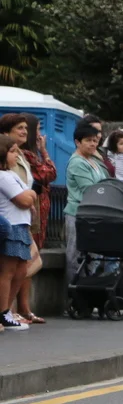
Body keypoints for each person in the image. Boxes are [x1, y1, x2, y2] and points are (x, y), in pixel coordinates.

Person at [63, 124, 111, 286]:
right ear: (78, 142)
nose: (93, 144)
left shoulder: (92, 160)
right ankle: (74, 292)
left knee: (94, 255)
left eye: (95, 141)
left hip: (93, 214)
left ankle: (88, 288)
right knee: (76, 255)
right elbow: (89, 189)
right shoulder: (77, 162)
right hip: (78, 213)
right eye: (88, 140)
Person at [0, 135, 36, 331]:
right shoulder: (3, 176)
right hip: (12, 225)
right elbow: (24, 200)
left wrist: (30, 195)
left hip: (21, 226)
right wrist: (30, 195)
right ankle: (3, 311)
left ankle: (6, 310)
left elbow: (29, 195)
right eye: (12, 152)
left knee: (21, 270)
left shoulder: (10, 175)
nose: (16, 155)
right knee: (8, 271)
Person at [20, 113, 56, 250]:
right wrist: (43, 151)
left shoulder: (31, 154)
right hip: (34, 207)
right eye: (37, 129)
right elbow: (50, 173)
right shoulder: (27, 155)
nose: (39, 134)